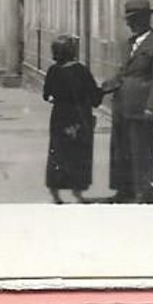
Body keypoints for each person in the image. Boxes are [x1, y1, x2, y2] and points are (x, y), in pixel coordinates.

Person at [99, 0, 153, 203]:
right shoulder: (129, 44)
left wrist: (152, 108)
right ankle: (124, 190)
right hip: (122, 105)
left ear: (144, 19)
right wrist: (100, 90)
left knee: (142, 150)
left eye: (133, 19)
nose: (129, 24)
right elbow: (122, 74)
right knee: (120, 150)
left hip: (142, 108)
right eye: (128, 19)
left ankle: (144, 192)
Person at [43, 34, 102, 204]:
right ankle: (78, 192)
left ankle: (55, 192)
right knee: (79, 155)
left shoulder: (53, 70)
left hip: (59, 117)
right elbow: (93, 95)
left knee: (58, 154)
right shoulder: (81, 70)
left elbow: (46, 95)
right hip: (79, 116)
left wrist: (56, 98)